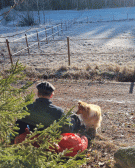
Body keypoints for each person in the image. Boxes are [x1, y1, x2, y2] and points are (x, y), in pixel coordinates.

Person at [16, 81, 85, 135]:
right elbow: (67, 129)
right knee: (74, 117)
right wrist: (73, 120)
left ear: (37, 93)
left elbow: (19, 126)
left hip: (33, 136)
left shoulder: (27, 108)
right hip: (52, 139)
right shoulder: (58, 111)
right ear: (51, 95)